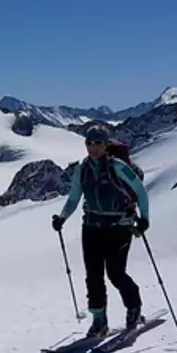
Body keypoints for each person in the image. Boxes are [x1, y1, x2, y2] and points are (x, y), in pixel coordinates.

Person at [52, 125, 150, 337]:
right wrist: (62, 218)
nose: (93, 147)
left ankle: (134, 306)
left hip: (119, 227)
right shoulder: (83, 169)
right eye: (89, 143)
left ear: (106, 145)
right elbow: (74, 198)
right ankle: (99, 320)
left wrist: (144, 219)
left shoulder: (118, 166)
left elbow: (141, 192)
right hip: (91, 228)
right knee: (93, 276)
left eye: (98, 143)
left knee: (115, 273)